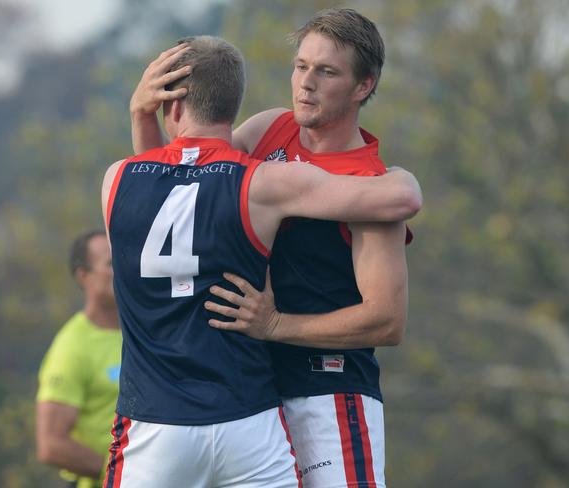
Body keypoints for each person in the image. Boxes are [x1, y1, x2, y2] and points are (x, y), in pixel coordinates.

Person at [103, 35, 420, 488]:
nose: (305, 83)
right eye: (300, 66)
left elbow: (387, 322)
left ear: (363, 86)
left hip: (325, 393)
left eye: (326, 72)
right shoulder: (271, 130)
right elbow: (179, 186)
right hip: (251, 397)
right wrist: (141, 117)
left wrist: (276, 326)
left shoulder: (371, 183)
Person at [36, 230, 122, 488]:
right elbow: (51, 445)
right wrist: (121, 474)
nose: (122, 268)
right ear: (84, 276)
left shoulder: (148, 330)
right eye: (110, 263)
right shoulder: (72, 347)